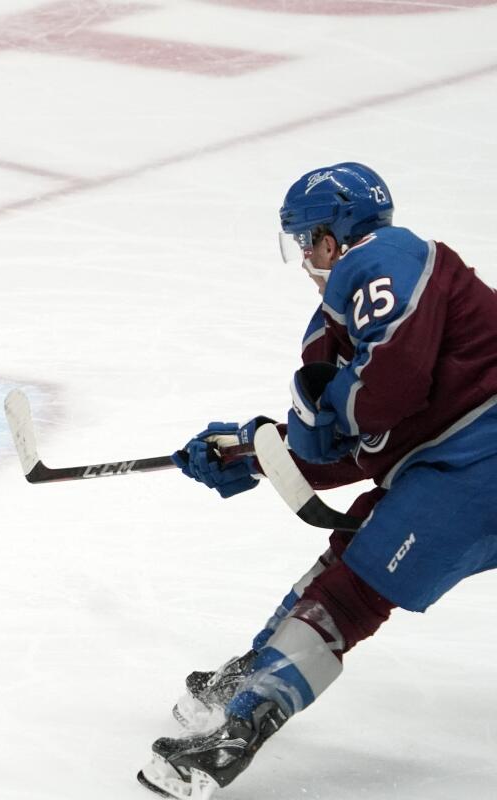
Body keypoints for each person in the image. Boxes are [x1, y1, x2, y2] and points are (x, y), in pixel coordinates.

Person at [137, 162, 497, 799]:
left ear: (333, 237)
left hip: (479, 466)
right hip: (454, 464)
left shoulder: (383, 256)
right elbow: (360, 444)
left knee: (353, 593)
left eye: (307, 241)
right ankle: (251, 678)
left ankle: (237, 734)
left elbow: (386, 392)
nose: (305, 258)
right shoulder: (346, 321)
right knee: (352, 555)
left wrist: (313, 426)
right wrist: (255, 451)